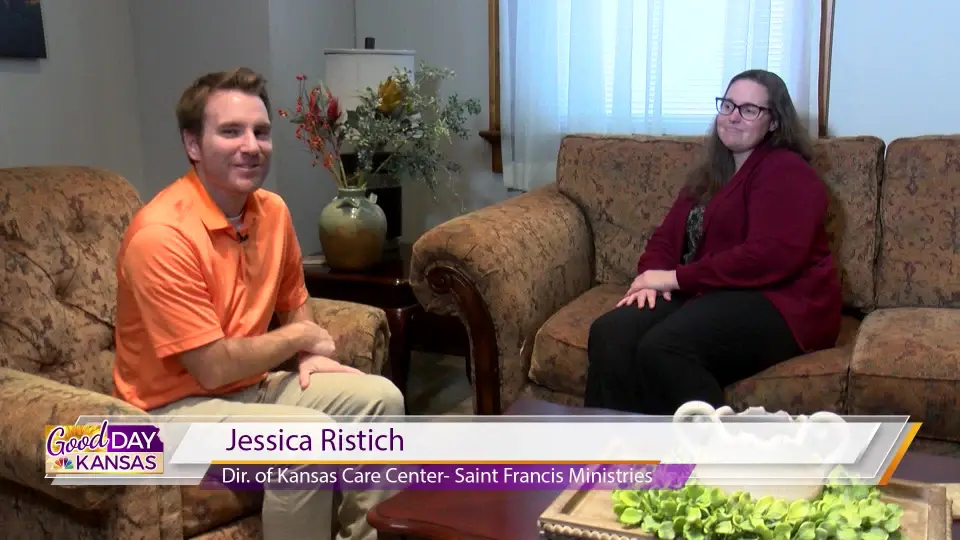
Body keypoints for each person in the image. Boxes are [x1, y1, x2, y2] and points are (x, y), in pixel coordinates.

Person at [112, 67, 405, 540]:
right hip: (163, 415)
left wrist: (308, 354)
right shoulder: (161, 236)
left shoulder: (272, 211)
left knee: (381, 402)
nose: (251, 145)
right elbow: (210, 368)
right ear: (193, 145)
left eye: (261, 132)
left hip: (249, 388)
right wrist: (301, 337)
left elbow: (294, 301)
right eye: (231, 131)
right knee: (304, 440)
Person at [583, 69, 842, 416]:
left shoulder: (785, 169)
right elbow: (666, 236)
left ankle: (714, 462)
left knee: (664, 347)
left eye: (749, 110)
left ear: (775, 123)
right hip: (713, 292)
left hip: (781, 302)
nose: (733, 116)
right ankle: (616, 457)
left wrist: (673, 279)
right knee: (610, 333)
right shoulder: (712, 172)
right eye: (728, 105)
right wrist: (650, 277)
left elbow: (770, 256)